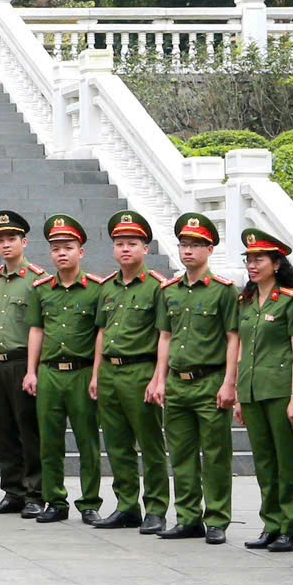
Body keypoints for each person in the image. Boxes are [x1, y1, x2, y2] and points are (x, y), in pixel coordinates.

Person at [148, 212, 237, 544]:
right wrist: (159, 379)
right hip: (177, 382)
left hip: (210, 381)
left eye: (196, 245)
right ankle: (187, 517)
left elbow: (233, 338)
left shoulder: (223, 291)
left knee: (215, 455)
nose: (188, 250)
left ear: (210, 249)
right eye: (184, 244)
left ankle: (216, 518)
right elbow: (165, 337)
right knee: (181, 454)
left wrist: (229, 383)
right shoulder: (169, 291)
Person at [91, 210, 169, 533]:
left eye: (132, 243)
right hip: (110, 372)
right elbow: (101, 332)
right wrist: (96, 374)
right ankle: (126, 505)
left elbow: (165, 335)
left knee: (150, 444)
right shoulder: (107, 287)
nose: (125, 249)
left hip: (140, 371)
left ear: (145, 248)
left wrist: (158, 378)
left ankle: (156, 508)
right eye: (120, 243)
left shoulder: (157, 287)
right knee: (117, 443)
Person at [26, 215, 103, 524]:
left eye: (68, 247)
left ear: (80, 252)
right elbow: (36, 330)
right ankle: (55, 500)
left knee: (87, 440)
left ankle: (90, 502)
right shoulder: (42, 289)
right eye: (56, 248)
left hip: (81, 372)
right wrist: (31, 371)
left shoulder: (96, 289)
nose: (62, 253)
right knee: (50, 441)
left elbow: (101, 334)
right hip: (50, 373)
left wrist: (96, 374)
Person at [234, 228, 293, 553]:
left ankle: (292, 528)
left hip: (279, 390)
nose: (252, 265)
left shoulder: (291, 300)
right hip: (252, 390)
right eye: (249, 259)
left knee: (288, 462)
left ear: (276, 263)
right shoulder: (246, 302)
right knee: (264, 462)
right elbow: (242, 349)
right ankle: (271, 524)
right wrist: (239, 394)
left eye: (259, 259)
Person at [0, 209, 42, 516]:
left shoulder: (37, 280)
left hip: (22, 362)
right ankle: (12, 491)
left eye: (12, 238)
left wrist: (32, 370)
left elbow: (38, 327)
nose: (6, 244)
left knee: (28, 430)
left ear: (24, 242)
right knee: (3, 431)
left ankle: (35, 493)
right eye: (1, 239)